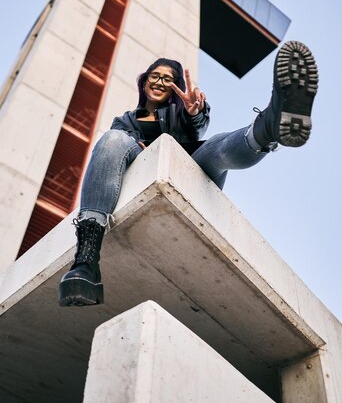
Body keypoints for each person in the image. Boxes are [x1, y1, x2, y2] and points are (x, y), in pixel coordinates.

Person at [58, 40, 318, 307]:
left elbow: (197, 127)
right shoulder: (125, 120)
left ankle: (269, 127)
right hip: (138, 169)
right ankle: (87, 261)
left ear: (176, 88)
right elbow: (114, 153)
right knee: (112, 139)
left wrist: (194, 112)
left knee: (216, 147)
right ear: (144, 82)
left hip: (192, 166)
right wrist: (138, 146)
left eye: (168, 80)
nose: (159, 81)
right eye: (154, 76)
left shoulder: (182, 111)